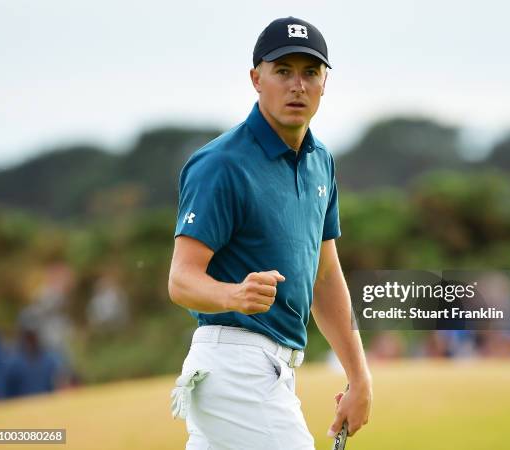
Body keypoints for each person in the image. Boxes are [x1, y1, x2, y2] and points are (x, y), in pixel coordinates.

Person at [168, 16, 372, 449]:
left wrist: (358, 377)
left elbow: (326, 277)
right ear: (256, 78)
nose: (297, 85)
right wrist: (232, 295)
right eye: (283, 71)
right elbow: (181, 280)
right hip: (233, 366)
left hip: (273, 371)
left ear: (324, 82)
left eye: (310, 72)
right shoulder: (221, 164)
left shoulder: (321, 161)